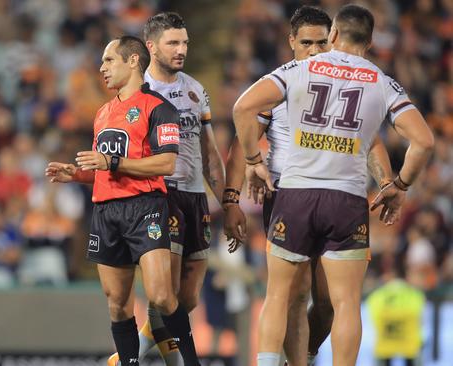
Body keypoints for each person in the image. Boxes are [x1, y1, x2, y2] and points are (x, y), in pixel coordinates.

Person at [232, 4, 434, 366]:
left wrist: (252, 161)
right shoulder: (383, 81)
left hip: (294, 193)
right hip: (347, 197)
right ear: (370, 42)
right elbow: (424, 141)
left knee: (279, 295)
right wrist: (400, 186)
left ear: (334, 35)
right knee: (345, 303)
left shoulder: (297, 70)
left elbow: (242, 108)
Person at [45, 36, 201, 366]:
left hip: (146, 207)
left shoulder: (159, 109)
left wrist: (110, 163)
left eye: (109, 60)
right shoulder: (102, 113)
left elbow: (165, 164)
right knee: (117, 303)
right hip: (106, 211)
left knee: (160, 295)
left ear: (133, 62)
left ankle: (191, 362)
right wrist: (75, 173)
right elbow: (103, 170)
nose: (102, 68)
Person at [108, 12, 228, 366]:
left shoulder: (195, 89)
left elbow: (209, 152)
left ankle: (132, 355)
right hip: (161, 196)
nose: (181, 50)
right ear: (151, 47)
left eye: (185, 42)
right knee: (165, 295)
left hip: (195, 197)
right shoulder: (138, 92)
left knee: (187, 299)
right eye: (173, 43)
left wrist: (229, 203)